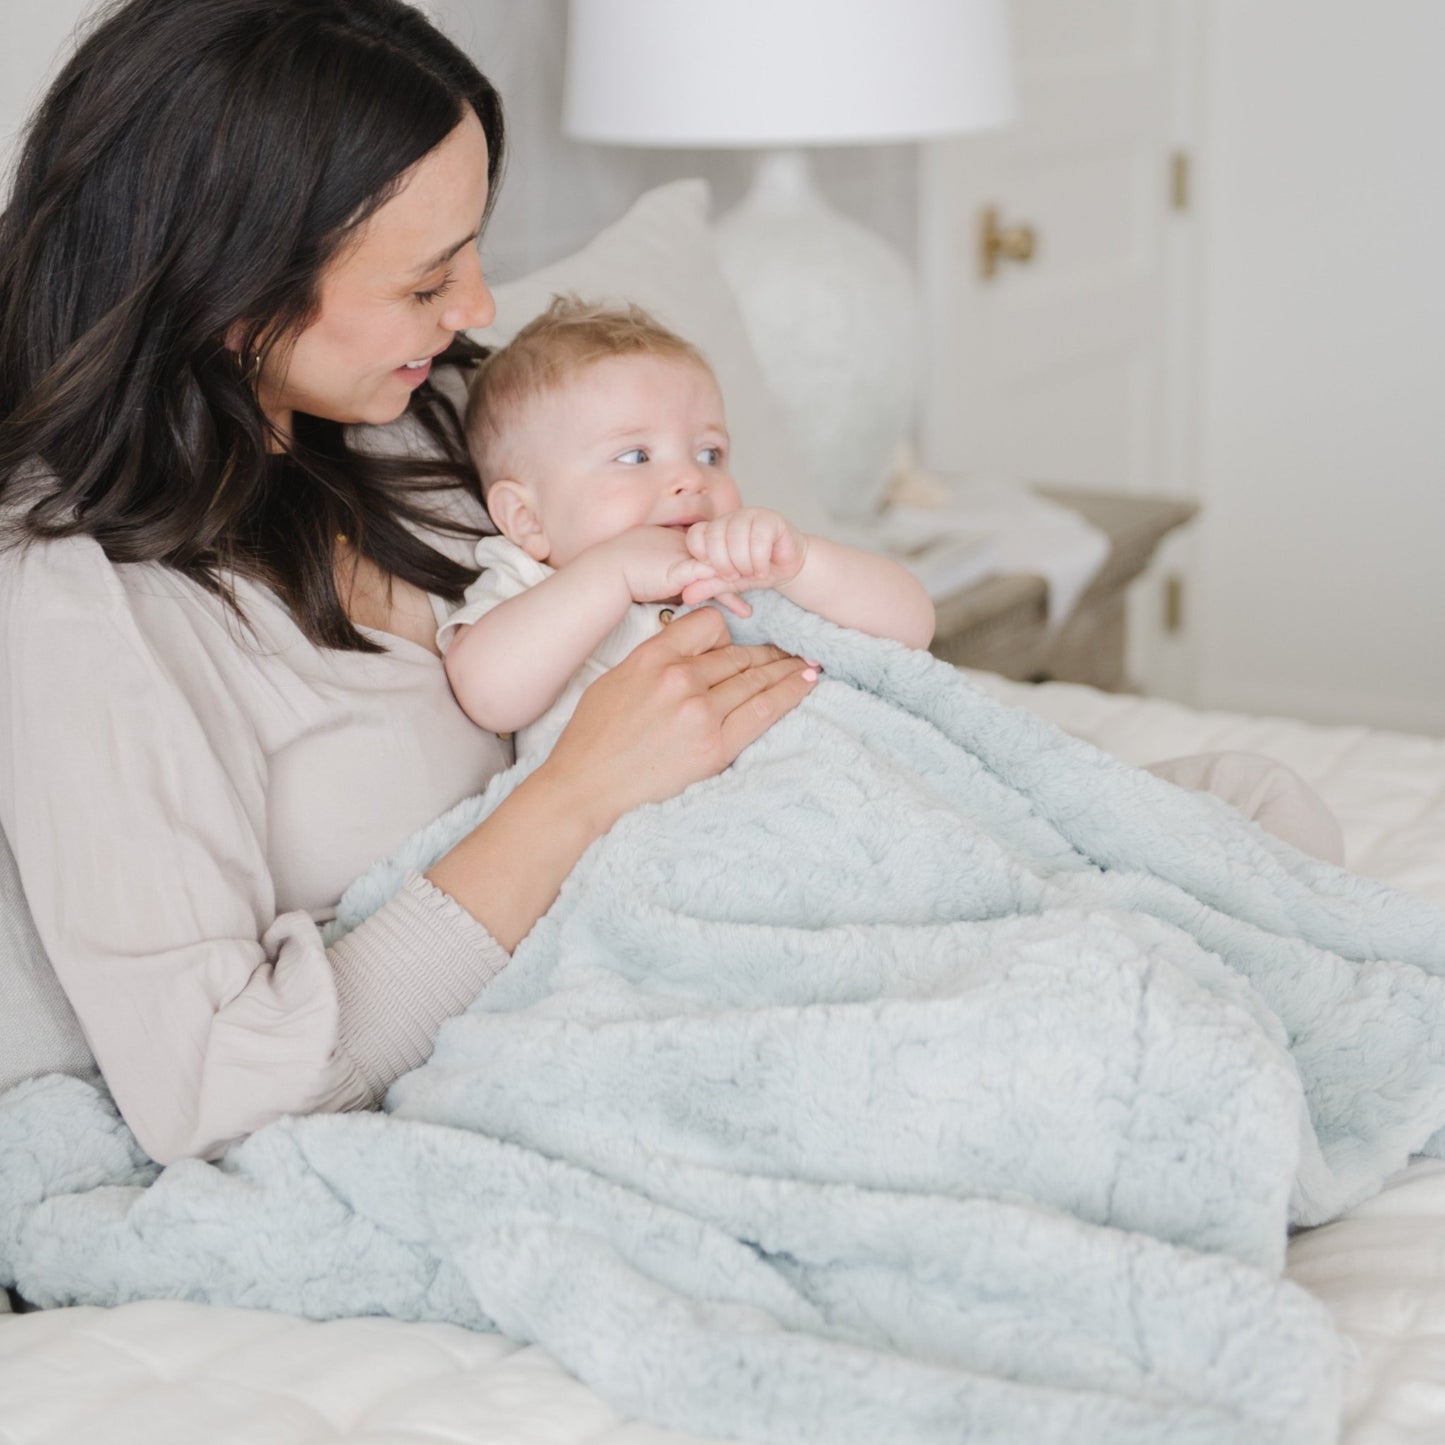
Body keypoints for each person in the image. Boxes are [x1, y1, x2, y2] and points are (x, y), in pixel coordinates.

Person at [0, 0, 819, 1166]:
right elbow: (216, 1086)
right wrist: (576, 791)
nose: (480, 308)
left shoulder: (425, 415)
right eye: (427, 279)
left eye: (475, 248)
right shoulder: (87, 608)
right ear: (233, 292)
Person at [439, 297, 936, 759]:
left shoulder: (739, 559)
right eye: (636, 456)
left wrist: (803, 562)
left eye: (709, 454)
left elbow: (912, 630)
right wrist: (613, 573)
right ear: (526, 518)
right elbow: (488, 697)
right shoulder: (528, 586)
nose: (691, 479)